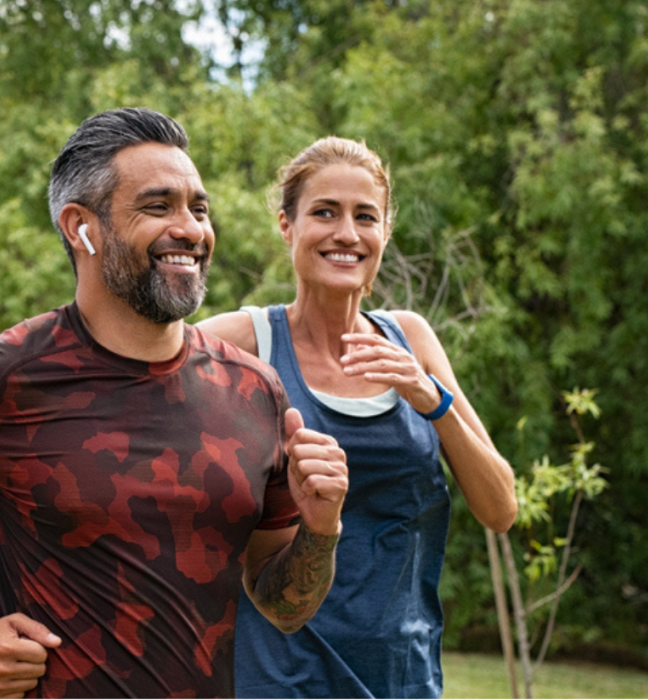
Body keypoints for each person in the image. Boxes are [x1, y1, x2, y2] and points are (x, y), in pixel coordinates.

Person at [0, 108, 352, 698]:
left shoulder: (255, 390)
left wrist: (322, 527)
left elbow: (284, 607)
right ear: (80, 227)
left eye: (199, 209)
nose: (190, 229)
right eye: (158, 207)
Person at [195, 136, 518, 698]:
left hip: (404, 677)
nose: (346, 233)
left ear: (384, 232)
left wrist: (430, 397)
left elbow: (500, 507)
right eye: (325, 212)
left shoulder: (412, 338)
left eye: (365, 216)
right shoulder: (240, 342)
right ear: (287, 225)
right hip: (276, 679)